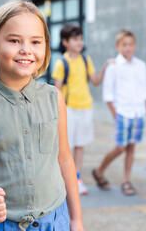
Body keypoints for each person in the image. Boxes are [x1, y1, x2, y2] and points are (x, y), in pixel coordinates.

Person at [0, 0, 84, 231]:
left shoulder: (54, 98)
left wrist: (76, 220)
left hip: (55, 221)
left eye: (35, 42)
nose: (26, 49)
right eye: (14, 40)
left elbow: (64, 159)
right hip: (0, 224)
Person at [51, 24, 111, 195]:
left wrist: (106, 66)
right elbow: (58, 91)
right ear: (65, 42)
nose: (79, 42)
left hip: (85, 107)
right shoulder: (61, 63)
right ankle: (63, 180)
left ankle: (77, 178)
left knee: (79, 145)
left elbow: (96, 81)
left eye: (80, 39)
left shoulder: (86, 60)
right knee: (65, 146)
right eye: (75, 39)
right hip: (69, 110)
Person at [92, 29, 146, 196]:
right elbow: (108, 94)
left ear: (135, 45)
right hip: (122, 113)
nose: (128, 48)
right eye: (124, 45)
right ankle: (99, 170)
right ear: (118, 46)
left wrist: (144, 109)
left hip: (138, 112)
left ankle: (126, 180)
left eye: (131, 44)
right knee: (119, 148)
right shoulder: (114, 66)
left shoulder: (141, 66)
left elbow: (145, 90)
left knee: (131, 147)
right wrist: (115, 113)